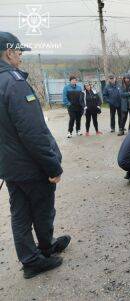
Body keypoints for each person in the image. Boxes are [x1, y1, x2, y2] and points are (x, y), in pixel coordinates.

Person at [0, 32, 70, 279]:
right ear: (9, 52)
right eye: (19, 51)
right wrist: (52, 166)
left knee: (20, 214)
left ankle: (32, 256)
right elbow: (33, 132)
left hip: (10, 166)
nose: (20, 55)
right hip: (30, 165)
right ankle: (42, 251)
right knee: (41, 209)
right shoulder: (14, 82)